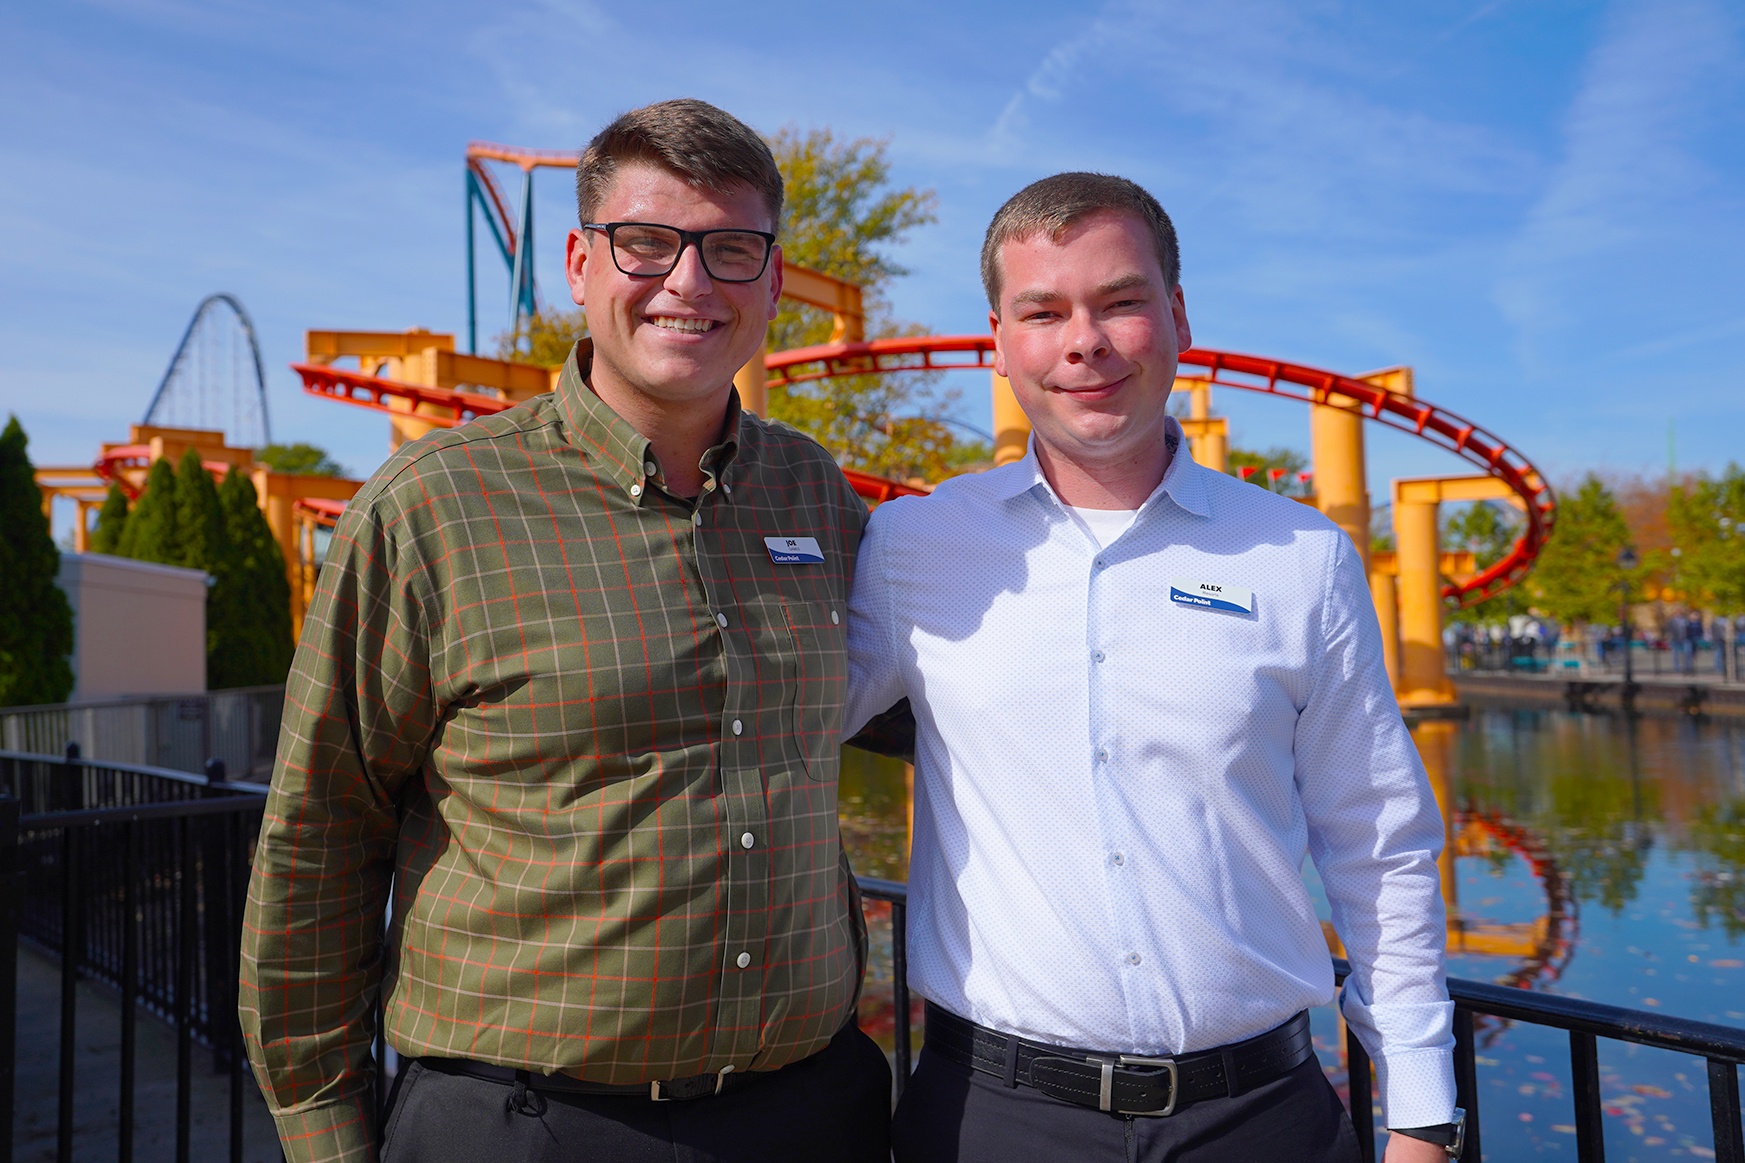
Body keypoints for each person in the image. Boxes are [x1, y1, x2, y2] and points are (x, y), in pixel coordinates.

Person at [240, 98, 890, 1163]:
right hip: (525, 1124)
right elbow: (320, 833)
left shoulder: (812, 492)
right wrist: (323, 1129)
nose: (688, 281)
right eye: (648, 243)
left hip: (806, 1109)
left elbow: (947, 690)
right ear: (582, 263)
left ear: (773, 282)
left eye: (731, 249)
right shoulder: (432, 506)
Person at [845, 173, 1460, 1162]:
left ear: (1175, 314)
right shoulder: (913, 544)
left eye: (1118, 301)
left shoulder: (1298, 557)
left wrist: (1422, 1115)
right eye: (1041, 311)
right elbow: (769, 720)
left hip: (1259, 1118)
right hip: (991, 1121)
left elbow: (1377, 841)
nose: (1081, 341)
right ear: (998, 339)